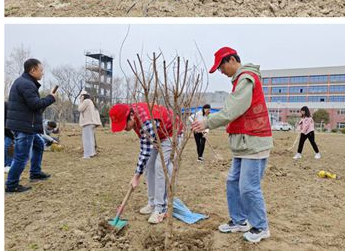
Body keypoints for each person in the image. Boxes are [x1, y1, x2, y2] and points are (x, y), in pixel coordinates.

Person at [191, 47, 273, 243]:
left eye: (221, 67)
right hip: (243, 143)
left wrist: (207, 122)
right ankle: (239, 221)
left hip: (254, 141)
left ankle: (261, 227)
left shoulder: (246, 79)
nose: (221, 71)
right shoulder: (239, 80)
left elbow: (232, 110)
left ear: (232, 60)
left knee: (248, 187)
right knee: (233, 182)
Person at [109, 102, 181, 224]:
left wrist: (136, 176)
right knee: (148, 165)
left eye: (124, 125)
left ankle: (160, 208)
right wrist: (138, 174)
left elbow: (145, 151)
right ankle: (152, 203)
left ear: (131, 116)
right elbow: (146, 148)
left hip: (171, 133)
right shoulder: (132, 114)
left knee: (160, 166)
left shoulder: (147, 122)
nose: (124, 129)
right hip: (156, 136)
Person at [5, 58, 56, 193]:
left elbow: (32, 105)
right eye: (41, 70)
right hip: (24, 126)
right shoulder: (26, 84)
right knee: (21, 156)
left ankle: (35, 172)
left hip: (26, 124)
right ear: (32, 70)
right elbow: (35, 104)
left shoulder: (25, 82)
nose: (42, 73)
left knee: (39, 145)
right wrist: (51, 98)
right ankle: (11, 185)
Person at [78, 91, 101, 158]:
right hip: (91, 123)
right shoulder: (91, 102)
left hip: (87, 123)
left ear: (83, 96)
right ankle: (92, 153)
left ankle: (87, 155)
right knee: (91, 139)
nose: (80, 98)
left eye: (81, 97)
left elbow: (80, 109)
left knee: (86, 139)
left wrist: (81, 101)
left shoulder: (86, 101)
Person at [4, 102, 14, 173]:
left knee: (8, 148)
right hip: (6, 131)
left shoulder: (7, 106)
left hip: (10, 131)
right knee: (5, 147)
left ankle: (9, 165)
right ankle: (5, 164)